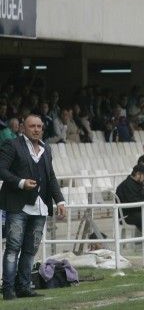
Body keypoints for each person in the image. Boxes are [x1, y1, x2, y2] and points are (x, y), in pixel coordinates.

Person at [0, 114, 66, 300]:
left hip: (40, 207)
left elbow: (51, 177)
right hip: (17, 206)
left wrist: (60, 201)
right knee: (13, 248)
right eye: (32, 126)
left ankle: (24, 287)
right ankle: (8, 290)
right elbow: (1, 169)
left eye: (39, 126)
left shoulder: (47, 148)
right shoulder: (12, 145)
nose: (36, 129)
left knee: (30, 251)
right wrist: (20, 182)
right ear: (23, 128)